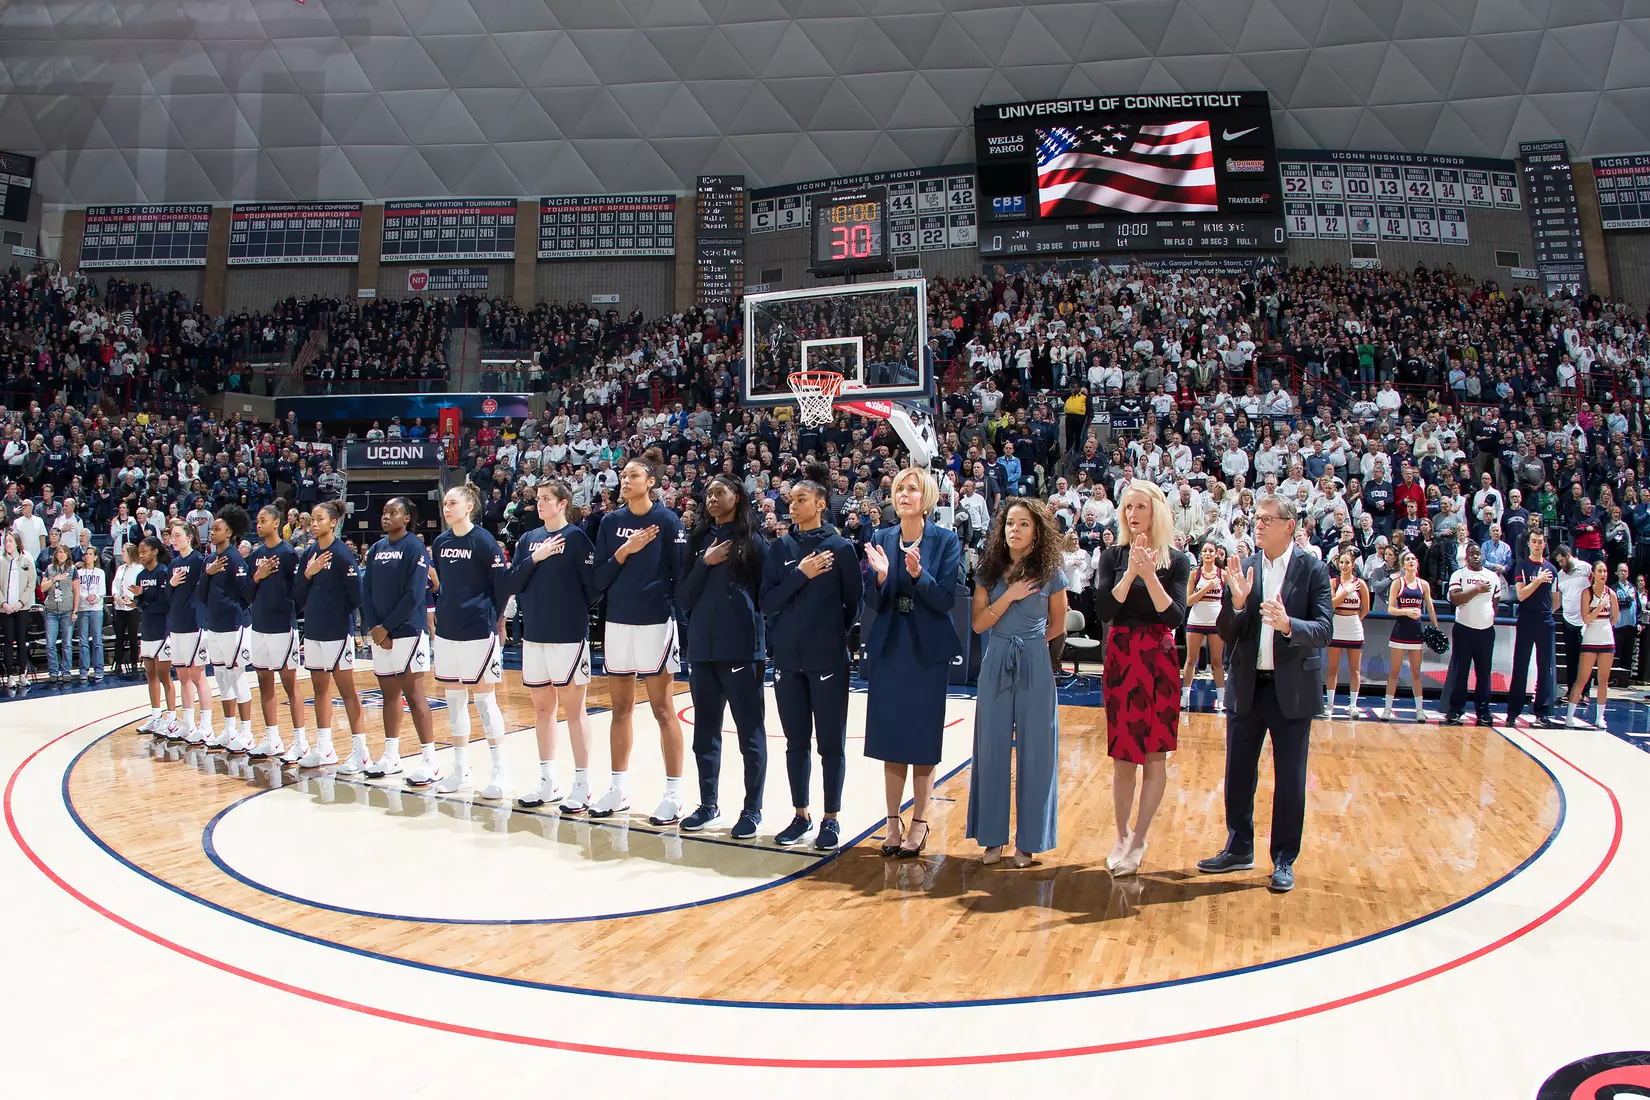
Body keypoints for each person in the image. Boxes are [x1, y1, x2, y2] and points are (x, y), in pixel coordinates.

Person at [1198, 494, 1333, 895]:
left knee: (1290, 780)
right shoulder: (1245, 567)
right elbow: (1225, 631)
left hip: (1292, 689)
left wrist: (1291, 625)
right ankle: (1239, 846)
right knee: (1238, 773)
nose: (1258, 525)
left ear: (1290, 525)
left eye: (1268, 519)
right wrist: (1237, 604)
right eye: (1256, 519)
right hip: (1248, 685)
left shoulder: (1314, 570)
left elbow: (1324, 629)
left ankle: (1284, 859)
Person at [862, 466, 963, 859]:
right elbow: (871, 601)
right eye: (899, 488)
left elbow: (945, 600)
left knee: (921, 739)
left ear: (927, 498)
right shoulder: (881, 537)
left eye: (912, 489)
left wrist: (920, 577)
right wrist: (884, 578)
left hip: (926, 649)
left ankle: (919, 820)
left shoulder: (945, 540)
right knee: (890, 737)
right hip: (891, 644)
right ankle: (891, 821)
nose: (903, 494)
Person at [761, 463, 861, 850]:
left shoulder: (840, 548)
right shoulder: (780, 549)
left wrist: (829, 634)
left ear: (820, 503)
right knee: (795, 742)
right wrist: (800, 575)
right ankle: (800, 814)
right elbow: (767, 602)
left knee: (830, 744)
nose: (793, 505)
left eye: (801, 500)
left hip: (827, 659)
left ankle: (831, 818)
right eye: (791, 500)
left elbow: (854, 604)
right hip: (787, 660)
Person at [1093, 481, 1188, 877]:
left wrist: (1150, 575)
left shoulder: (1178, 561)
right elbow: (1103, 609)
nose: (1133, 515)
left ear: (1156, 512)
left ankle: (1139, 838)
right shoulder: (1111, 555)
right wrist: (1130, 572)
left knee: (1154, 754)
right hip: (1121, 655)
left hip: (1160, 657)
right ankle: (1120, 834)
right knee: (1122, 755)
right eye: (1128, 507)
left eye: (1141, 507)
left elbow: (1175, 617)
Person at [967, 497, 1066, 867]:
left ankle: (1028, 842)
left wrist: (1032, 647)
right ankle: (992, 840)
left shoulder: (1051, 571)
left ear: (1037, 531)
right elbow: (978, 624)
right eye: (1010, 523)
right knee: (991, 749)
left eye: (1024, 524)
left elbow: (1058, 623)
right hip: (997, 657)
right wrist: (1008, 596)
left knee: (1037, 751)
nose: (1015, 529)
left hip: (1034, 662)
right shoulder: (989, 570)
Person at [591, 447, 689, 823]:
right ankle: (617, 789)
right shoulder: (609, 523)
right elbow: (598, 579)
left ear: (651, 482)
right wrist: (625, 550)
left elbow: (681, 578)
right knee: (620, 709)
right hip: (616, 623)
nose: (624, 480)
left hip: (655, 623)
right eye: (623, 475)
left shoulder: (668, 521)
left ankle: (674, 795)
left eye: (632, 475)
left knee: (664, 710)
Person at [677, 474, 771, 838]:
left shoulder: (755, 542)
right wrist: (706, 562)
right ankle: (708, 804)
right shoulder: (699, 541)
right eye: (708, 493)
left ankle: (752, 810)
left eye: (720, 492)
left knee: (750, 735)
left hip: (742, 650)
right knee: (705, 735)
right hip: (702, 650)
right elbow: (683, 597)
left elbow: (768, 598)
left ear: (738, 496)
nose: (712, 498)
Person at [506, 480, 599, 812]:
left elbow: (594, 588)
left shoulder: (576, 538)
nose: (540, 503)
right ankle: (548, 782)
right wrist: (537, 558)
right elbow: (511, 581)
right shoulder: (529, 540)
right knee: (543, 710)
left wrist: (568, 608)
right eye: (539, 498)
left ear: (562, 503)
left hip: (568, 637)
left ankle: (583, 785)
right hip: (534, 637)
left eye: (546, 498)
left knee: (575, 712)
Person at [429, 484, 511, 796]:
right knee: (454, 703)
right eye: (444, 503)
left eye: (452, 503)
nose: (446, 508)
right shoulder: (440, 542)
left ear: (468, 507)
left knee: (484, 701)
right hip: (448, 631)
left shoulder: (484, 541)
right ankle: (461, 770)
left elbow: (500, 588)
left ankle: (500, 770)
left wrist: (497, 621)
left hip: (479, 630)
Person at [360, 497, 435, 782]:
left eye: (394, 512)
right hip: (381, 635)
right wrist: (375, 627)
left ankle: (430, 760)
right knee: (388, 696)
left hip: (408, 631)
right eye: (384, 512)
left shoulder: (414, 547)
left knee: (415, 697)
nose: (386, 517)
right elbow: (366, 591)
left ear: (407, 518)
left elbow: (415, 594)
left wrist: (387, 627)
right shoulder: (376, 549)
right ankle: (391, 756)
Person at [293, 500, 366, 771]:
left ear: (333, 522)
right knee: (319, 690)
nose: (314, 524)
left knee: (347, 690)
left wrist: (340, 618)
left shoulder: (343, 554)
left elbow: (357, 596)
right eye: (312, 519)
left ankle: (361, 752)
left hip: (336, 631)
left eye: (320, 519)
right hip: (313, 631)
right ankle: (325, 748)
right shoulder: (309, 553)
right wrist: (309, 573)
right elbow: (298, 596)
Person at [246, 502, 306, 764]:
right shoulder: (255, 554)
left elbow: (298, 594)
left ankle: (300, 741)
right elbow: (246, 593)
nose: (258, 525)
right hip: (258, 625)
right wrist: (257, 576)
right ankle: (272, 738)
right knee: (263, 681)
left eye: (263, 520)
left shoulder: (288, 553)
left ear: (276, 523)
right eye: (257, 521)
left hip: (282, 626)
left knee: (289, 683)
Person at [199, 505, 257, 753]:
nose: (212, 532)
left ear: (230, 532)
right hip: (215, 626)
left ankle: (246, 733)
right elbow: (201, 595)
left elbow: (246, 595)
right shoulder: (210, 560)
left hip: (235, 626)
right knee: (221, 678)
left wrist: (232, 610)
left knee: (236, 676)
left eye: (217, 529)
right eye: (212, 529)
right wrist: (207, 574)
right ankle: (229, 729)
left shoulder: (236, 559)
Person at [1443, 542, 1504, 726]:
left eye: (1478, 554)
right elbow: (1454, 598)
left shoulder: (1492, 576)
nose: (1476, 556)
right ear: (1466, 557)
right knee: (1461, 672)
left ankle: (1483, 711)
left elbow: (1496, 602)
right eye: (1472, 554)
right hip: (1464, 629)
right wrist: (1476, 590)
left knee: (1484, 673)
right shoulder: (1459, 574)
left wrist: (1487, 617)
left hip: (1486, 632)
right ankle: (1455, 710)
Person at [1506, 528, 1561, 728]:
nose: (1537, 544)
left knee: (1545, 667)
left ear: (1544, 544)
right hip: (1526, 619)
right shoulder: (1522, 566)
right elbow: (1521, 595)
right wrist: (1537, 580)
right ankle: (1513, 711)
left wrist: (1545, 611)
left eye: (1540, 541)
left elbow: (1556, 600)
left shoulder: (1552, 570)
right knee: (1520, 665)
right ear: (1529, 544)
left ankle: (1542, 711)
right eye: (1534, 541)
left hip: (1545, 620)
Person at [166, 520, 213, 743]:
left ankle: (206, 726)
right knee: (182, 676)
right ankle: (188, 723)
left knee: (198, 676)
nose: (173, 539)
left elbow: (205, 591)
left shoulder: (199, 561)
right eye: (172, 536)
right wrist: (171, 584)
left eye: (177, 535)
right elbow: (167, 597)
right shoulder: (174, 563)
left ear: (189, 537)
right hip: (177, 625)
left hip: (195, 625)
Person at [1381, 551, 1439, 721]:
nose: (1411, 561)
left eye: (1413, 558)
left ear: (1417, 563)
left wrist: (1436, 628)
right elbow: (1390, 609)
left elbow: (1431, 608)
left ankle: (1419, 710)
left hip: (1416, 634)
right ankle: (1388, 708)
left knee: (1416, 673)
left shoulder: (1424, 585)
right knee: (1394, 672)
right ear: (1403, 565)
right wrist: (1406, 611)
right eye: (1407, 559)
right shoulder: (1397, 583)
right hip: (1400, 633)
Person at [131, 536, 178, 734]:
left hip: (162, 629)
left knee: (164, 675)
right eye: (139, 552)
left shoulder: (163, 573)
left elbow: (164, 604)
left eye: (144, 551)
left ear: (154, 552)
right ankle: (155, 715)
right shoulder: (140, 576)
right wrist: (138, 597)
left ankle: (172, 717)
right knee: (150, 674)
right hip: (147, 629)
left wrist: (143, 602)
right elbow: (139, 604)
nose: (141, 555)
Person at [1567, 559, 1618, 727]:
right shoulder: (1586, 593)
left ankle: (1599, 718)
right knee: (1582, 678)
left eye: (1605, 571)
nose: (1603, 574)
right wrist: (1599, 607)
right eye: (1600, 571)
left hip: (1606, 639)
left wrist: (1604, 625)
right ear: (1594, 574)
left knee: (1603, 680)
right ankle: (1569, 716)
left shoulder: (1611, 594)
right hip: (1590, 638)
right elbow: (1586, 618)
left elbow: (1614, 618)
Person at [1181, 540, 1226, 712]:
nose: (1207, 553)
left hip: (1216, 621)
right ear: (1201, 554)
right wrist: (1206, 588)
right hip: (1196, 620)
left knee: (1217, 661)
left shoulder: (1223, 574)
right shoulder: (1194, 574)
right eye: (1205, 551)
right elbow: (1188, 601)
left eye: (1211, 551)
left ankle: (1221, 698)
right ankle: (1185, 696)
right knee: (1191, 659)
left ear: (1216, 554)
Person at [1326, 548, 1369, 715]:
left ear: (1353, 564)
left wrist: (1355, 618)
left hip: (1354, 627)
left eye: (1347, 563)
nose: (1344, 565)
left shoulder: (1361, 584)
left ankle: (1353, 705)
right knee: (1332, 668)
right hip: (1336, 626)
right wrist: (1346, 590)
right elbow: (1331, 604)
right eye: (1341, 562)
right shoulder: (1334, 583)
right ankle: (1330, 705)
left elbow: (1365, 608)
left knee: (1355, 669)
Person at [1553, 543, 1592, 697]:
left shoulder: (1586, 568)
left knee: (1586, 658)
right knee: (1571, 658)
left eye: (1562, 561)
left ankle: (1585, 692)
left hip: (1585, 621)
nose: (1561, 565)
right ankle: (1571, 691)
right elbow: (1558, 599)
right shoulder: (1560, 574)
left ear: (1568, 555)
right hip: (1568, 620)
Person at [0, 532, 37, 693]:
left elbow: (31, 583)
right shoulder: (1, 561)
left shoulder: (26, 560)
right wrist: (4, 603)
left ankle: (22, 674)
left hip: (22, 608)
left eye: (9, 541)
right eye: (5, 541)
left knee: (21, 641)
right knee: (8, 642)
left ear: (16, 543)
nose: (7, 544)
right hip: (5, 609)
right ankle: (10, 676)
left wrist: (21, 602)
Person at [40, 543, 77, 686]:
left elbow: (76, 592)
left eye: (64, 552)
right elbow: (43, 588)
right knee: (50, 644)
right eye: (59, 552)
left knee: (67, 643)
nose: (61, 554)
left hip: (67, 611)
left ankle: (66, 671)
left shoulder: (72, 570)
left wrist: (75, 610)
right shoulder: (49, 569)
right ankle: (53, 672)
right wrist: (54, 579)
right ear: (55, 555)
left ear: (68, 555)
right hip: (51, 612)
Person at [73, 546, 106, 683]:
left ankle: (99, 669)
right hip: (82, 608)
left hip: (96, 608)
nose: (88, 556)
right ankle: (83, 670)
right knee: (83, 641)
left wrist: (95, 597)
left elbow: (103, 590)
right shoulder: (79, 573)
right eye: (86, 554)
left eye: (90, 554)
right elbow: (77, 590)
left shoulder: (100, 572)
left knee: (97, 640)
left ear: (95, 557)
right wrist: (86, 596)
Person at [110, 542, 143, 679]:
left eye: (124, 551)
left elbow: (139, 587)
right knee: (119, 637)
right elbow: (115, 585)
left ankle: (134, 662)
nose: (122, 553)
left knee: (133, 636)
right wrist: (116, 596)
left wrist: (129, 598)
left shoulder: (139, 568)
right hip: (120, 606)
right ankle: (118, 664)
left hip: (132, 607)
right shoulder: (121, 568)